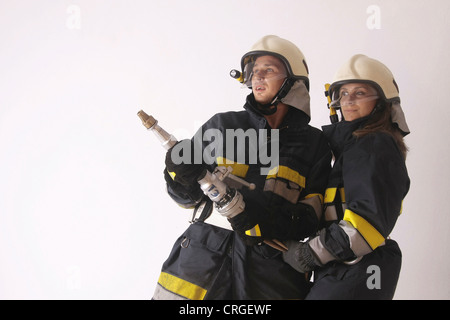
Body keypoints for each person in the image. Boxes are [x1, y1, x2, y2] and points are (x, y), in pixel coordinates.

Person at [152, 35, 331, 300]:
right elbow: (188, 199)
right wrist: (178, 175)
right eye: (253, 71)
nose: (257, 77)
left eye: (268, 70)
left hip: (270, 270)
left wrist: (263, 219)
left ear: (294, 81)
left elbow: (311, 219)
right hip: (201, 257)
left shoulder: (313, 144)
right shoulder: (222, 126)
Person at [283, 54, 410, 300]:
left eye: (360, 93)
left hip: (359, 266)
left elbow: (365, 222)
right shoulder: (355, 149)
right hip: (348, 264)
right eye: (343, 94)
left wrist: (310, 253)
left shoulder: (374, 145)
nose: (348, 100)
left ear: (382, 103)